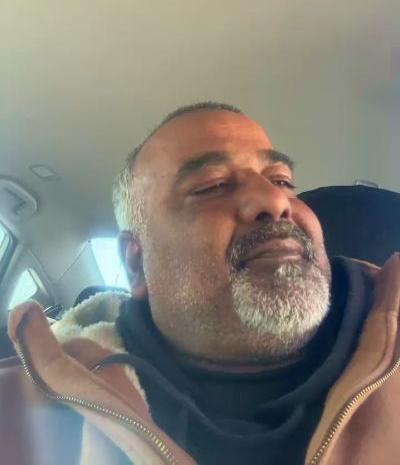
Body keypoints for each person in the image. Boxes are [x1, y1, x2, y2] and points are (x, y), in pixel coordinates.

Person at [1, 101, 400, 465]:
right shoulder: (17, 418)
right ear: (137, 263)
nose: (275, 201)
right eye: (212, 186)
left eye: (281, 180)